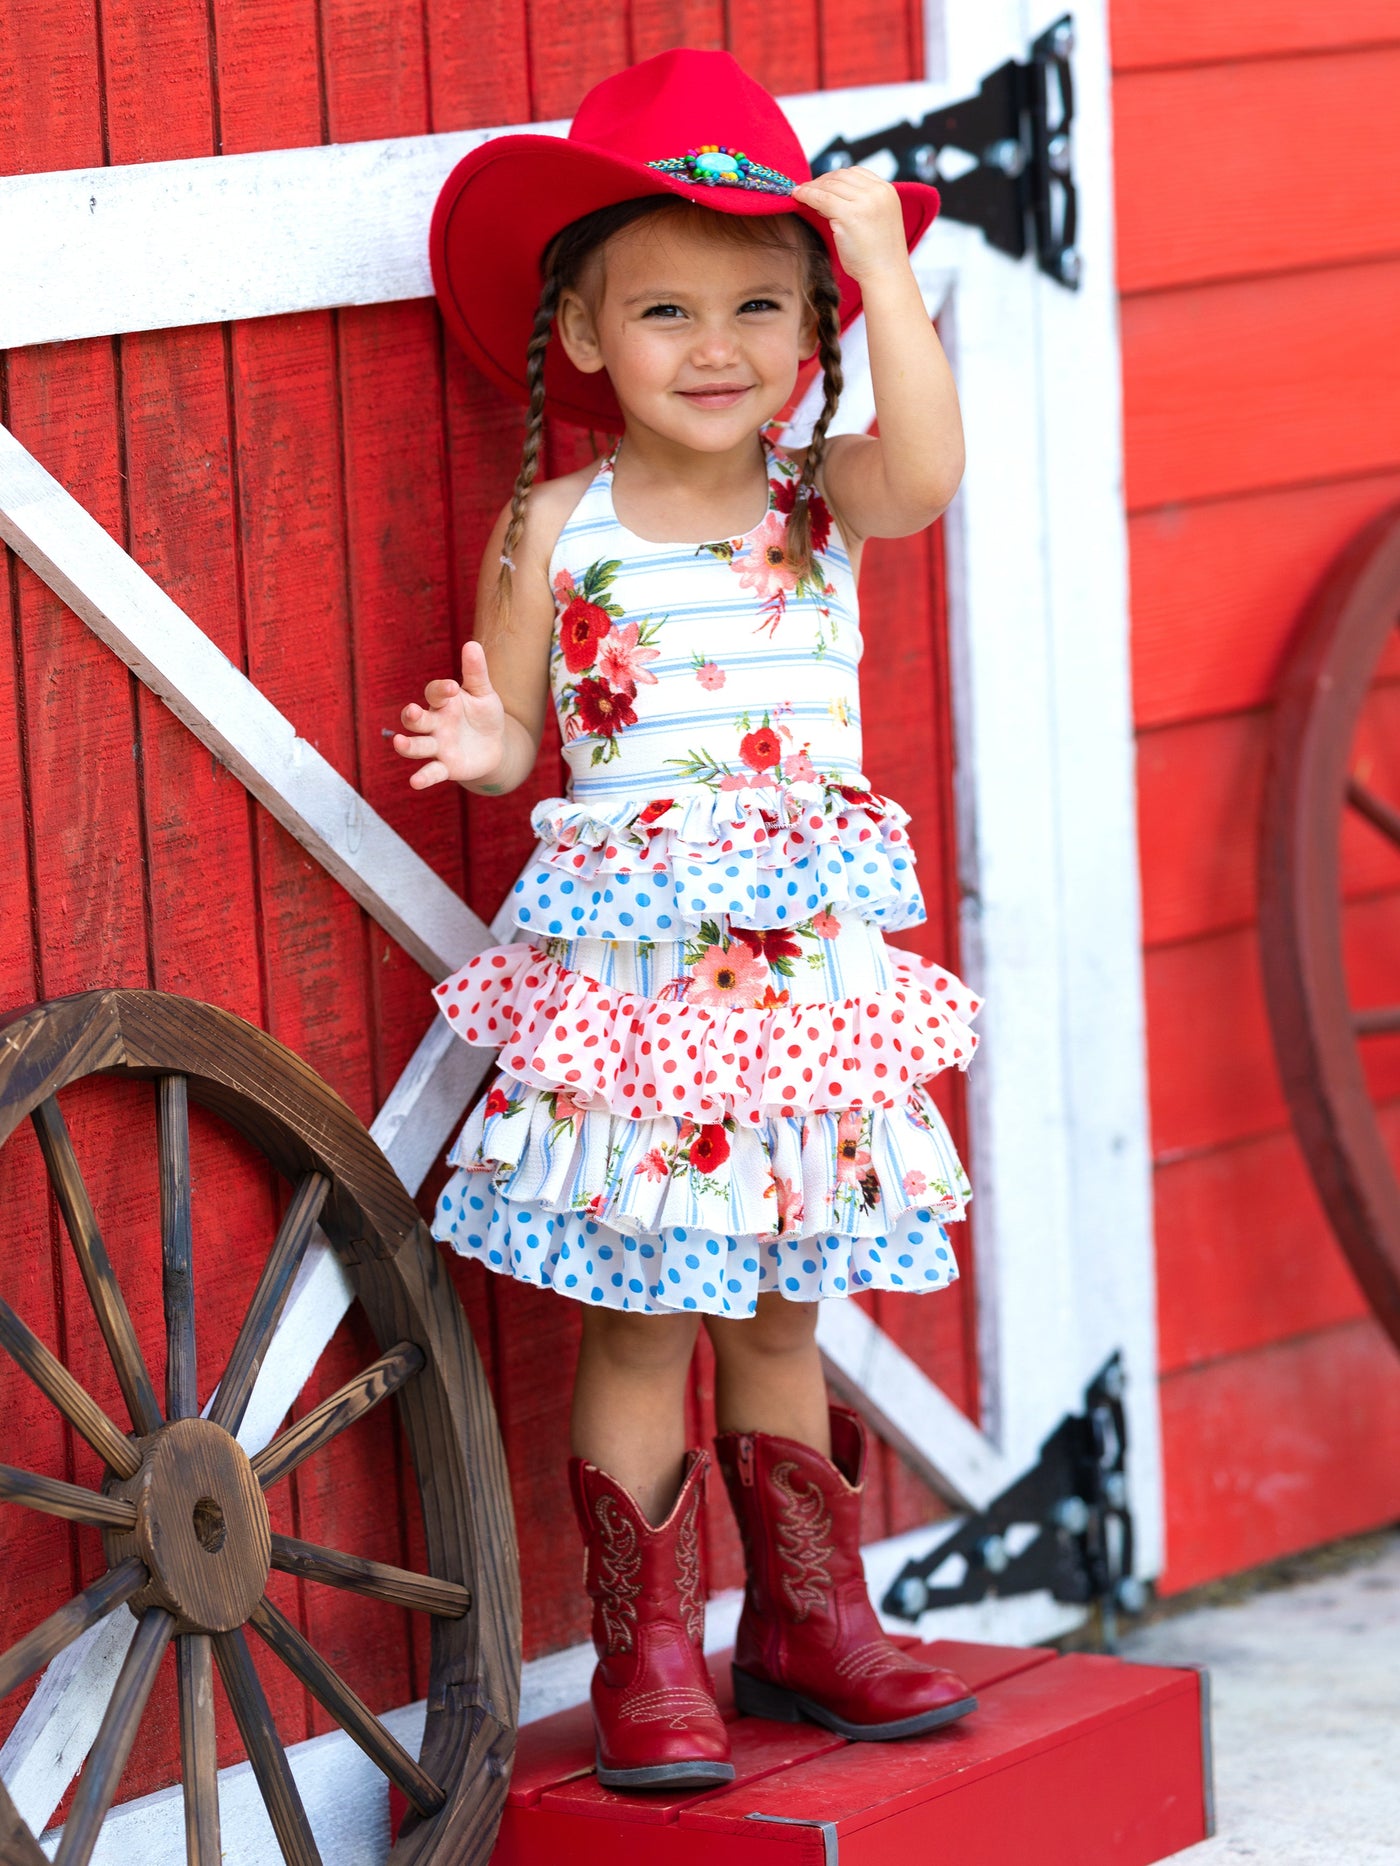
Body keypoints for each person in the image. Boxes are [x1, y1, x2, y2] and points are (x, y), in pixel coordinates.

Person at [396, 48, 981, 1790]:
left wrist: (881, 274)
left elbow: (933, 468)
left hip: (799, 996)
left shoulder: (826, 512)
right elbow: (517, 723)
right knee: (643, 1311)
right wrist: (483, 737)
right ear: (580, 337)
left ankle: (806, 1621)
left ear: (810, 334)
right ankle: (650, 1651)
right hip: (648, 999)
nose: (715, 345)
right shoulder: (556, 525)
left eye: (758, 305)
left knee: (787, 1307)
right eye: (664, 308)